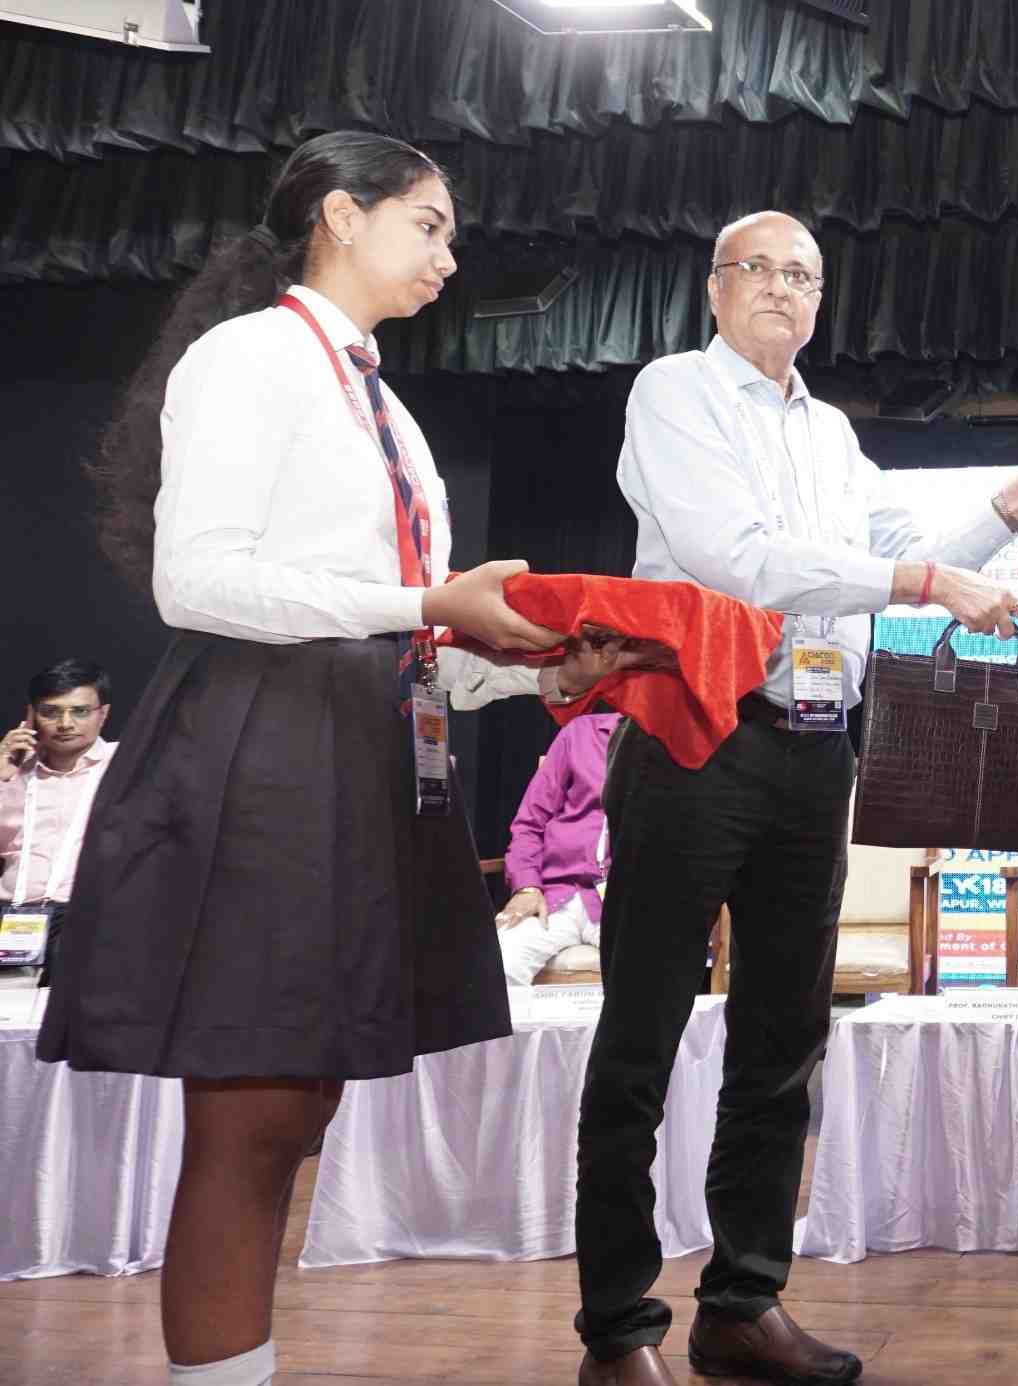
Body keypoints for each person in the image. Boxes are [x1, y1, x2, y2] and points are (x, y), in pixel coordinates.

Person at [33, 131, 625, 1386]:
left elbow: (408, 634)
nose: (449, 258)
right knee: (250, 1119)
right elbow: (198, 580)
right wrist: (428, 606)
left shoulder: (388, 408)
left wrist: (538, 673)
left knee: (298, 1111)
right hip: (261, 749)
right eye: (430, 225)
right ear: (342, 217)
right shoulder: (252, 357)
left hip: (365, 746)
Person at [572, 208, 1018, 1386]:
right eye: (761, 269)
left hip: (815, 749)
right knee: (639, 1041)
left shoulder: (829, 432)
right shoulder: (674, 394)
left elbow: (907, 543)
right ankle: (618, 1329)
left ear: (822, 303)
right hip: (695, 738)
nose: (784, 289)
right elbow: (739, 558)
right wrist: (923, 579)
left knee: (784, 1042)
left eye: (805, 276)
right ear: (715, 287)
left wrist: (1017, 498)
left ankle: (742, 1304)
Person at [0, 659, 117, 987]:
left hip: (87, 916)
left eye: (80, 711)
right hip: (13, 914)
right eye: (50, 712)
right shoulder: (12, 770)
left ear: (103, 714)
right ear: (31, 715)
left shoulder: (126, 767)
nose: (65, 723)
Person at [497, 710, 621, 986]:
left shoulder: (672, 745)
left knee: (649, 975)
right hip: (558, 895)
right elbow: (529, 823)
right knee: (501, 960)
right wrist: (527, 886)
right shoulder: (580, 733)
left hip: (624, 901)